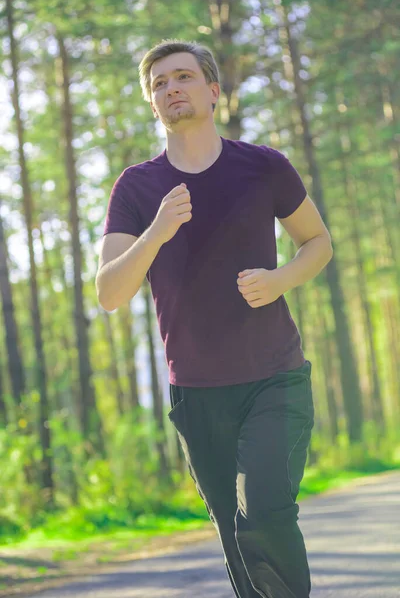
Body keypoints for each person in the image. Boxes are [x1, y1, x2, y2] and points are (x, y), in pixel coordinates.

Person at [96, 39, 333, 598]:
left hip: (275, 377)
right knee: (235, 541)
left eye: (182, 77)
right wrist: (156, 231)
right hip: (197, 394)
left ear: (213, 90)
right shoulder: (137, 187)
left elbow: (318, 243)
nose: (171, 88)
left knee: (264, 512)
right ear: (153, 104)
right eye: (159, 84)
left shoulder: (263, 166)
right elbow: (109, 292)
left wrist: (279, 281)